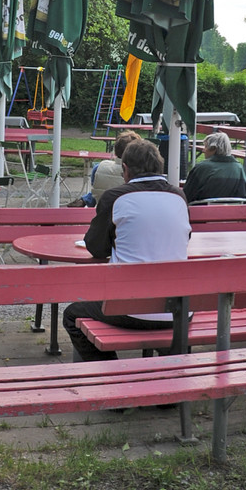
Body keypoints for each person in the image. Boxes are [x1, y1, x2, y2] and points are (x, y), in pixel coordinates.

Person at [61, 138, 191, 362]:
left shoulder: (116, 197)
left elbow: (96, 248)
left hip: (128, 308)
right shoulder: (178, 196)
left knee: (72, 315)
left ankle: (112, 371)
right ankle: (170, 369)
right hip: (179, 311)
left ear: (125, 169)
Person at [183, 130, 246, 203]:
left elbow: (187, 195)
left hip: (204, 212)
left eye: (206, 146)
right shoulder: (239, 168)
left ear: (213, 148)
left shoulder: (201, 168)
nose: (203, 150)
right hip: (234, 212)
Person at [80, 135, 136, 206]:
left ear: (115, 151)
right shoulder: (138, 173)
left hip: (102, 211)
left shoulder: (98, 168)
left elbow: (95, 188)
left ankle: (85, 199)